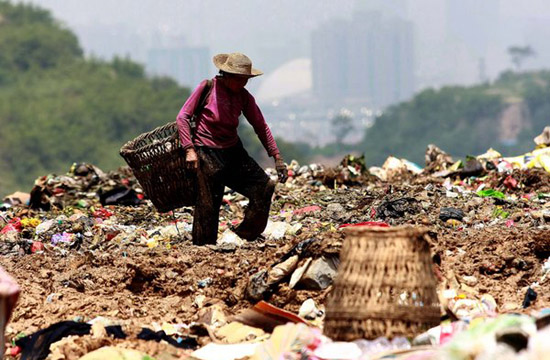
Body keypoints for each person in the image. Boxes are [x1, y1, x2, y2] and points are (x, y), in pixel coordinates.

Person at [176, 52, 287, 246]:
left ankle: (244, 233)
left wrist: (276, 156)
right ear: (227, 75)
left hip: (232, 151)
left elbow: (260, 126)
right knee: (209, 205)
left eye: (246, 80)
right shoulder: (207, 88)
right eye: (240, 79)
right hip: (206, 150)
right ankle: (204, 249)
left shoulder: (244, 97)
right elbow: (183, 117)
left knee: (264, 187)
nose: (243, 84)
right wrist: (189, 149)